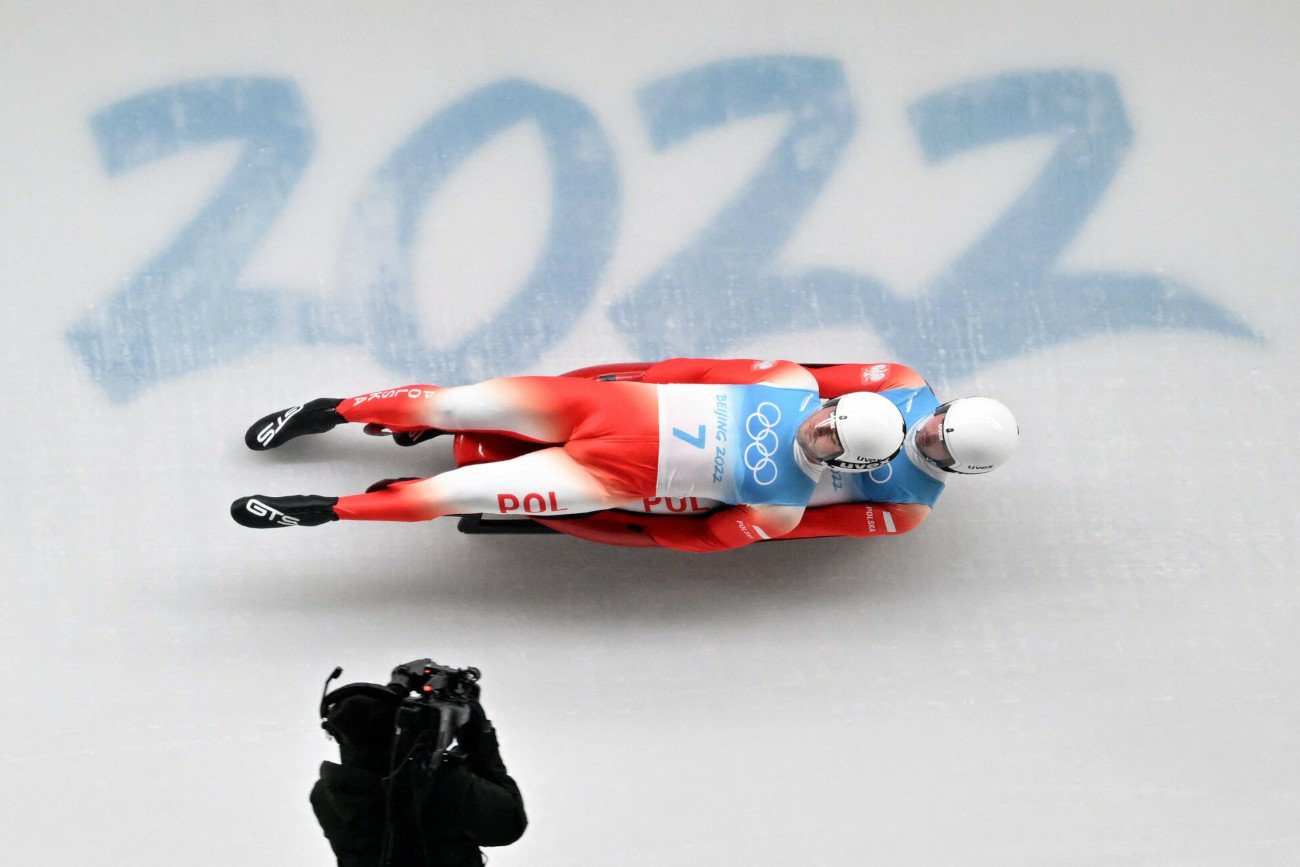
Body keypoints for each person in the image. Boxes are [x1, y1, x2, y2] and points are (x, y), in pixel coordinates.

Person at [231, 359, 909, 552]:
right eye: (831, 415)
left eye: (833, 440)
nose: (821, 428)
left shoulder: (783, 507)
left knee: (453, 496)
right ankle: (332, 410)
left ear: (844, 466)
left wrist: (636, 522)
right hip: (600, 409)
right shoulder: (788, 380)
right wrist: (622, 384)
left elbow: (701, 538)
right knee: (454, 406)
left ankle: (324, 509)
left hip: (598, 477)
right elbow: (689, 369)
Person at [525, 359, 1019, 545]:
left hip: (746, 484)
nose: (929, 436)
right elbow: (801, 380)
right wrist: (663, 382)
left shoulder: (907, 509)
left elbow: (799, 527)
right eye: (940, 425)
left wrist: (682, 534)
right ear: (945, 408)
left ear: (959, 468)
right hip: (743, 423)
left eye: (942, 448)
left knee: (668, 499)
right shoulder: (899, 381)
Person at [312, 678, 526, 867]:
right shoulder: (444, 784)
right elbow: (510, 824)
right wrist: (480, 743)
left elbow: (372, 745)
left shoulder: (327, 793)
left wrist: (395, 697)